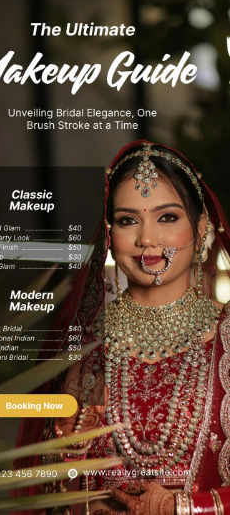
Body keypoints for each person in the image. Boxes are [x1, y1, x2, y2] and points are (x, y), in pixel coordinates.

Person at [13, 140, 230, 515]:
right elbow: (50, 485)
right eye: (128, 220)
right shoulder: (82, 349)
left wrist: (182, 508)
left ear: (201, 227)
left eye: (167, 217)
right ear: (110, 237)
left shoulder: (226, 339)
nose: (147, 239)